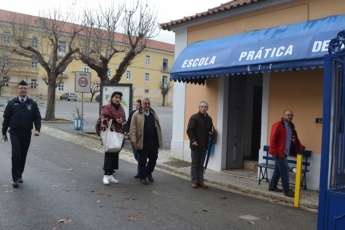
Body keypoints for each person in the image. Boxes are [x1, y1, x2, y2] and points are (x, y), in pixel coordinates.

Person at [2, 80, 41, 188]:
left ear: (27, 90)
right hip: (14, 133)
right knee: (16, 154)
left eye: (25, 88)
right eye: (21, 88)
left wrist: (37, 129)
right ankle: (15, 179)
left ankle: (19, 175)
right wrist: (4, 132)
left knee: (23, 155)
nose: (23, 90)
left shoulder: (32, 104)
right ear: (17, 89)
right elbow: (6, 118)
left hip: (26, 133)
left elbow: (37, 117)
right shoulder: (12, 103)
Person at [268, 109, 305, 197]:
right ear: (284, 115)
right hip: (278, 153)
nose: (290, 116)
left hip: (284, 153)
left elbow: (295, 139)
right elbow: (272, 139)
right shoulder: (278, 125)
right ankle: (287, 191)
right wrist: (274, 152)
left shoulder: (291, 127)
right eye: (288, 115)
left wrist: (300, 147)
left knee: (278, 170)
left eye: (291, 115)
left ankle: (272, 186)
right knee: (284, 171)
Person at [130, 98, 162, 185]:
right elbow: (133, 129)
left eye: (148, 103)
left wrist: (159, 140)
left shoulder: (153, 114)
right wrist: (133, 141)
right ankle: (142, 176)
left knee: (153, 159)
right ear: (142, 105)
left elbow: (158, 127)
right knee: (142, 161)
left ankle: (148, 173)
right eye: (145, 103)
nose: (147, 105)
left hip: (153, 142)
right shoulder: (136, 114)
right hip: (142, 141)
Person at [96, 91, 126, 185]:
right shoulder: (107, 107)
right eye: (116, 97)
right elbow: (103, 118)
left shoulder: (121, 108)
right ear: (112, 98)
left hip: (118, 134)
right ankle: (105, 175)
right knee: (109, 153)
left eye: (119, 98)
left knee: (115, 154)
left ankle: (111, 174)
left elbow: (124, 119)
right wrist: (114, 119)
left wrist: (121, 121)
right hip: (109, 134)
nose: (117, 99)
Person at [187, 101, 215, 189]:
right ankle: (194, 181)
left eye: (205, 107)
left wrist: (211, 133)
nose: (203, 108)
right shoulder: (194, 118)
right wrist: (193, 140)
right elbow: (190, 130)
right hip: (195, 145)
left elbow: (210, 130)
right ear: (199, 108)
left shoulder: (209, 119)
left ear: (207, 108)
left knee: (201, 164)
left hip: (204, 145)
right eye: (202, 106)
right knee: (195, 164)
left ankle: (201, 180)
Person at [125, 99, 142, 178]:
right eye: (136, 105)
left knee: (140, 156)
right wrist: (126, 132)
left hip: (141, 139)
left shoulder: (143, 114)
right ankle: (141, 169)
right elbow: (128, 123)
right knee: (136, 156)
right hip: (133, 138)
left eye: (138, 105)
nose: (137, 107)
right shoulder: (133, 113)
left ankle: (140, 172)